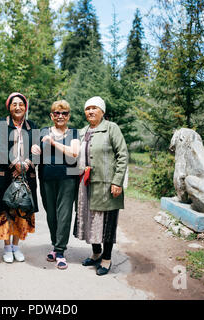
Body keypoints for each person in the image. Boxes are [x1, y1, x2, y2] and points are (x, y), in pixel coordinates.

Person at [74, 96, 128, 276]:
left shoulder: (111, 128)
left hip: (106, 185)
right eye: (87, 108)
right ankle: (96, 253)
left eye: (94, 108)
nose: (90, 111)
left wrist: (117, 181)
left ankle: (106, 258)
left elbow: (122, 155)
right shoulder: (82, 131)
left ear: (102, 111)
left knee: (107, 222)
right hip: (86, 184)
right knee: (90, 220)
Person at [31, 100, 80, 270]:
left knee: (64, 214)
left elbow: (74, 154)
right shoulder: (44, 131)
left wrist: (53, 143)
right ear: (51, 116)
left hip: (68, 179)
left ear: (69, 116)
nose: (60, 116)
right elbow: (36, 150)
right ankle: (55, 245)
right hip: (46, 178)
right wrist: (35, 148)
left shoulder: (73, 133)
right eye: (57, 113)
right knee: (51, 214)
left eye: (64, 113)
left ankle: (60, 251)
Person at [0, 92, 38, 263]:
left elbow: (37, 149)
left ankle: (16, 247)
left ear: (25, 107)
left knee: (21, 209)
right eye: (14, 104)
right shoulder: (1, 124)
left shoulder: (32, 126)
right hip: (5, 174)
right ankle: (6, 247)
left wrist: (26, 165)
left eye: (21, 104)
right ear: (9, 107)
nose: (17, 107)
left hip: (26, 175)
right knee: (5, 210)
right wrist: (14, 164)